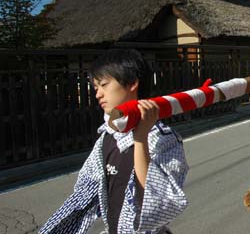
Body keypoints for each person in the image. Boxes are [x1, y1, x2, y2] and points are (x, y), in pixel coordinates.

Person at [40, 49, 189, 234]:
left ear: (132, 83)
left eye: (104, 84)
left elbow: (158, 203)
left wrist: (140, 138)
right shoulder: (108, 137)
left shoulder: (163, 139)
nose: (98, 95)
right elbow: (83, 195)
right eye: (96, 88)